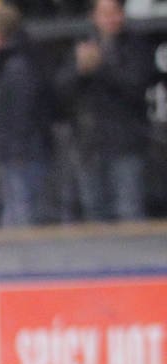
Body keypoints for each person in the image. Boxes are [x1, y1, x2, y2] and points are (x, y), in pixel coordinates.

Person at [55, 0, 154, 222]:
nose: (110, 19)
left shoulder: (136, 46)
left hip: (125, 141)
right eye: (104, 14)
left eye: (114, 12)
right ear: (94, 17)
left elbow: (136, 86)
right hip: (89, 143)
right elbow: (61, 90)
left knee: (129, 208)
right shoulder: (83, 46)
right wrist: (80, 70)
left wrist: (101, 68)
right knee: (94, 210)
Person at [0, 5, 57, 227]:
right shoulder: (18, 60)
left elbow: (21, 112)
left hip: (22, 152)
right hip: (21, 150)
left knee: (22, 212)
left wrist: (13, 147)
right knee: (18, 209)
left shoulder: (17, 66)